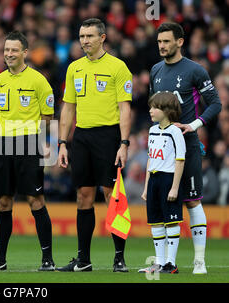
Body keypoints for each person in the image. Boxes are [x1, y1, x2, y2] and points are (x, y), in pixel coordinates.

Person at [57, 18, 132, 272]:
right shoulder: (74, 68)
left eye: (89, 36)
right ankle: (83, 259)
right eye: (81, 36)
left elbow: (125, 108)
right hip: (82, 137)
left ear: (103, 38)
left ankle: (119, 257)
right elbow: (68, 107)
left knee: (112, 195)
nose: (84, 41)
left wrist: (123, 143)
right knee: (83, 196)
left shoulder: (118, 67)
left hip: (108, 137)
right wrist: (62, 143)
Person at [0, 31, 56, 271]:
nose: (9, 54)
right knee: (2, 201)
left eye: (14, 50)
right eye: (6, 50)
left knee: (35, 199)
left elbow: (47, 115)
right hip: (2, 143)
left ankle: (48, 260)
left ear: (25, 53)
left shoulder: (38, 81)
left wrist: (42, 141)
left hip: (28, 143)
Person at [149, 22, 222, 274]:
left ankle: (199, 261)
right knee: (162, 203)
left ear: (180, 42)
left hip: (186, 146)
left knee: (191, 201)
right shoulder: (155, 70)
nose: (162, 46)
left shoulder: (195, 70)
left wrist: (193, 124)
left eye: (167, 41)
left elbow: (215, 104)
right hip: (162, 149)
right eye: (159, 41)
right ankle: (164, 261)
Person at [138, 92, 186, 274]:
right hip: (154, 180)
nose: (150, 110)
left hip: (168, 179)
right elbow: (151, 159)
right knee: (156, 222)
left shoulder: (175, 132)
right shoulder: (152, 130)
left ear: (166, 110)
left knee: (171, 221)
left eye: (155, 107)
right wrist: (146, 186)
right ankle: (159, 263)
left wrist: (174, 187)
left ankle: (171, 263)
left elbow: (180, 160)